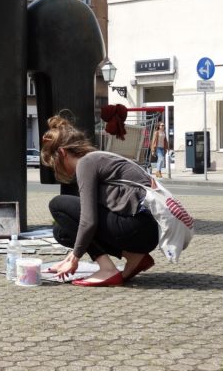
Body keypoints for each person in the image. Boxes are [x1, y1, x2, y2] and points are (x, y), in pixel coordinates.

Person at [40, 115, 159, 287]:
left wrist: (75, 257)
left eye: (54, 163)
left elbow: (88, 221)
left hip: (136, 227)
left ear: (61, 153)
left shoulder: (85, 164)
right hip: (146, 230)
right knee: (62, 231)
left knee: (58, 205)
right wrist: (73, 253)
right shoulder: (98, 158)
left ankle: (107, 269)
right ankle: (134, 257)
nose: (56, 169)